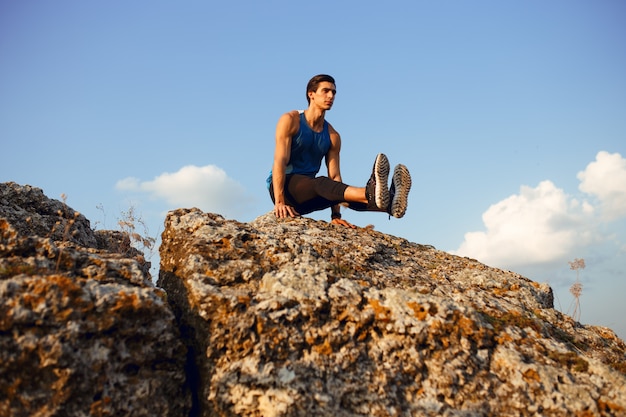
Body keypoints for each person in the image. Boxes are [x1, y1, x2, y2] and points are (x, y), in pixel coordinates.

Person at [267, 74, 411, 228]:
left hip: (309, 195)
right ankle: (372, 192)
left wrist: (335, 215)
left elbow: (335, 177)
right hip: (285, 189)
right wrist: (280, 201)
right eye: (326, 91)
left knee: (341, 192)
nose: (331, 96)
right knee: (322, 183)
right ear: (311, 94)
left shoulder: (333, 136)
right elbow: (280, 161)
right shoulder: (291, 120)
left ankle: (388, 204)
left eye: (334, 92)